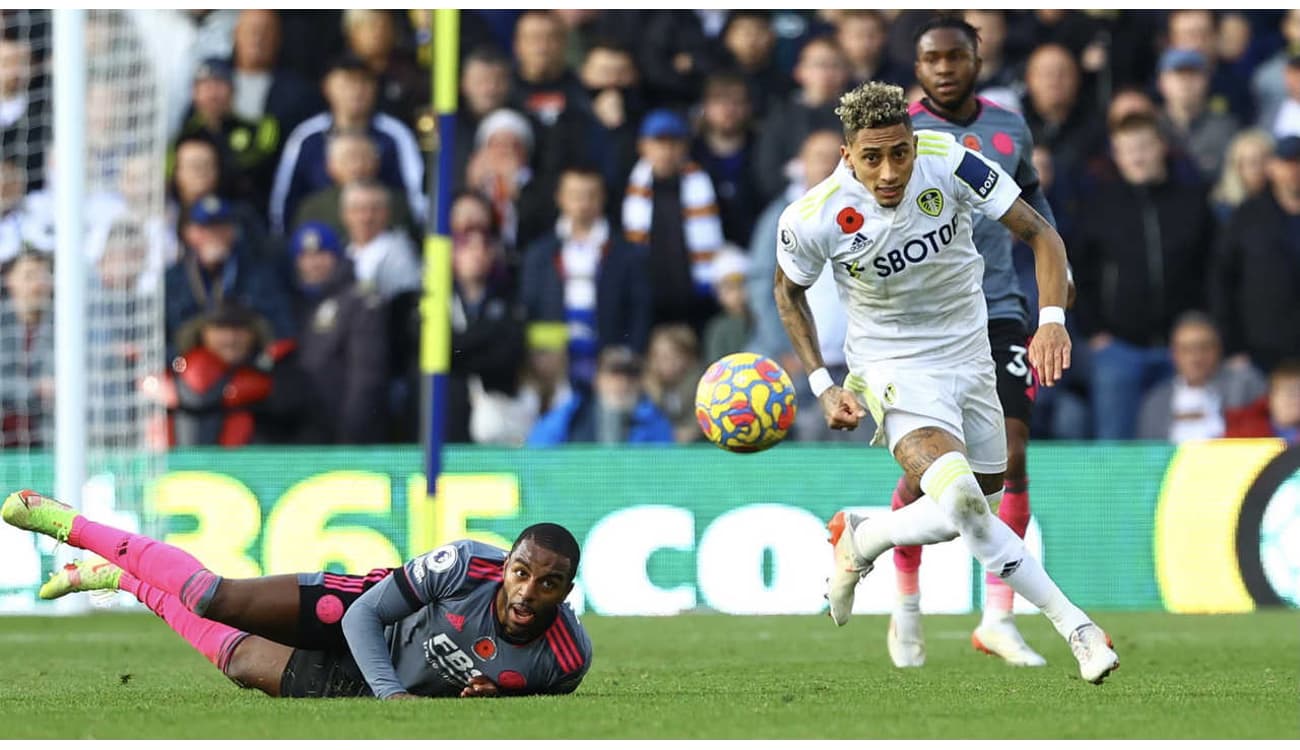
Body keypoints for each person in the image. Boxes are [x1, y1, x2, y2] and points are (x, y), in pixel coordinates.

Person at [772, 81, 1118, 684]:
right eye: (872, 157)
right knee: (961, 500)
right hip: (892, 367)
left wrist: (1052, 321)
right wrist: (824, 383)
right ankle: (1078, 629)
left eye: (899, 153)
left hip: (970, 354)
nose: (889, 171)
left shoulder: (951, 159)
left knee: (975, 503)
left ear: (913, 143)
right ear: (847, 155)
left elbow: (1041, 235)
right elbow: (787, 293)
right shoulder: (813, 216)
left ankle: (865, 534)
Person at [2, 489, 591, 698]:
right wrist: (392, 696)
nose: (526, 590)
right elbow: (366, 615)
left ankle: (125, 581)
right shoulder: (463, 564)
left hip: (364, 686)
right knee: (212, 597)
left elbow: (512, 694)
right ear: (507, 564)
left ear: (565, 594)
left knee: (234, 660)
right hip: (355, 619)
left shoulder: (566, 662)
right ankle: (67, 523)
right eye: (520, 572)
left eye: (547, 584)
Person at [886, 15, 1069, 670]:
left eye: (955, 56)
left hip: (998, 311)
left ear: (976, 57)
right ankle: (904, 592)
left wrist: (1056, 294)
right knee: (939, 475)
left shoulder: (1010, 127)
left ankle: (997, 617)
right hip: (926, 324)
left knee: (1012, 457)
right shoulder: (897, 136)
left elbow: (1036, 211)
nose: (943, 67)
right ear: (917, 65)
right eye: (931, 57)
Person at [1136, 311, 1266, 443]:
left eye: (1204, 348)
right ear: (1173, 354)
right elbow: (1147, 452)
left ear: (1219, 349)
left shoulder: (1244, 386)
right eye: (1186, 349)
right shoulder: (1156, 401)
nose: (1196, 357)